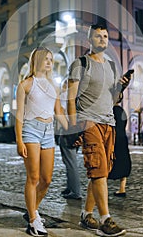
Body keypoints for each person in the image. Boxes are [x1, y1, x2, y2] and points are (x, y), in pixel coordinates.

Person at [67, 23, 130, 237]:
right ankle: (105, 220)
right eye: (98, 36)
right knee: (98, 169)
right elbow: (70, 98)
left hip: (108, 123)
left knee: (100, 171)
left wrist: (121, 88)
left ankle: (86, 214)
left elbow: (113, 99)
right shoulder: (80, 64)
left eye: (105, 36)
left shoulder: (112, 66)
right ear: (89, 40)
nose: (102, 39)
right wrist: (73, 127)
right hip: (88, 122)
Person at [15, 47, 68, 237]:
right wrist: (19, 140)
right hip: (31, 130)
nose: (49, 62)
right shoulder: (26, 85)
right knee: (34, 178)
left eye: (51, 59)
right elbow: (19, 115)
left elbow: (58, 111)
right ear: (37, 60)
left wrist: (70, 128)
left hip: (48, 132)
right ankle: (33, 221)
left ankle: (32, 210)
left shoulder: (53, 86)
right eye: (45, 59)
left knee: (47, 179)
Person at [58, 78, 82, 200]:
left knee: (70, 162)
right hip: (77, 129)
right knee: (69, 160)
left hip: (67, 129)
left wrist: (66, 128)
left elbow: (60, 111)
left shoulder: (64, 95)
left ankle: (75, 191)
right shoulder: (79, 96)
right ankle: (70, 187)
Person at [108, 104, 132, 198]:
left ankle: (102, 188)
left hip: (113, 138)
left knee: (108, 162)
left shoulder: (110, 111)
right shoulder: (122, 111)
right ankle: (122, 189)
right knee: (123, 161)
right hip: (122, 138)